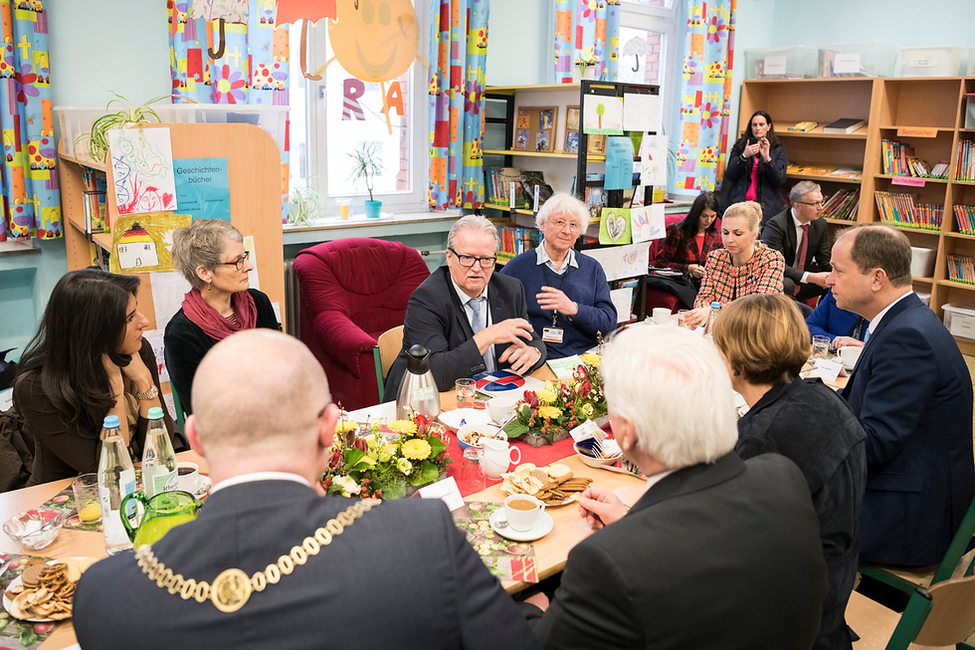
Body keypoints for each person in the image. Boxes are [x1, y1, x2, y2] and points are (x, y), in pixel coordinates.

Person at [73, 330, 539, 650]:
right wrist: (537, 610)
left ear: (194, 440)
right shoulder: (421, 536)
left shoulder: (104, 594)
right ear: (329, 429)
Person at [522, 325, 828, 650]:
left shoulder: (606, 562)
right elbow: (707, 551)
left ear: (626, 433)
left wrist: (530, 607)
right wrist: (632, 523)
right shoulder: (782, 476)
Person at [712, 293, 867, 650]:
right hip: (828, 600)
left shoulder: (760, 439)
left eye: (719, 350)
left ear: (737, 361)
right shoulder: (824, 399)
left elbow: (720, 552)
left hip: (782, 624)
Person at [828, 225, 975, 566]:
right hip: (909, 493)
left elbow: (875, 442)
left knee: (778, 519)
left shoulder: (907, 336)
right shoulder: (905, 320)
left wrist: (808, 418)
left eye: (838, 270)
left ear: (876, 278)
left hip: (907, 520)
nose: (830, 279)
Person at [13, 269, 184, 485]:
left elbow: (161, 451)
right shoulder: (36, 386)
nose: (145, 321)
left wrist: (145, 382)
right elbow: (111, 471)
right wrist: (115, 390)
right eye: (130, 317)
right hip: (67, 495)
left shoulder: (137, 351)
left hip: (139, 481)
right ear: (95, 331)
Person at [385, 215, 547, 396]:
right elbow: (435, 374)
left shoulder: (511, 289)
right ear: (449, 257)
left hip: (493, 395)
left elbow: (535, 341)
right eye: (467, 258)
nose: (477, 268)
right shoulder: (427, 299)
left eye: (486, 259)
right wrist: (486, 337)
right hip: (425, 401)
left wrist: (534, 353)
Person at [165, 218, 280, 415]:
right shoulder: (181, 333)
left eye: (245, 256)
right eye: (237, 261)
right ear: (204, 273)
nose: (249, 266)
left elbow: (283, 371)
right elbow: (201, 409)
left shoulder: (259, 303)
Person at [499, 193, 616, 358]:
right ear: (542, 224)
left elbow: (609, 323)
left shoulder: (592, 269)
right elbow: (500, 323)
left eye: (573, 225)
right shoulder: (516, 269)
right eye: (560, 222)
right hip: (537, 358)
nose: (567, 231)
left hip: (584, 359)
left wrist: (574, 309)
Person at [684, 201, 785, 328]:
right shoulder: (716, 258)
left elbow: (758, 305)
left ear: (754, 234)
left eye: (738, 234)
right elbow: (703, 298)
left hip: (760, 332)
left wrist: (714, 311)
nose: (729, 239)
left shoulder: (771, 259)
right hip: (719, 328)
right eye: (725, 233)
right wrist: (703, 313)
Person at [762, 181, 832, 304]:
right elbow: (776, 265)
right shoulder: (777, 225)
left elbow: (824, 258)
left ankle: (820, 320)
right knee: (787, 284)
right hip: (782, 277)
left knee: (832, 282)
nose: (820, 207)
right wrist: (811, 277)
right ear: (798, 206)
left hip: (803, 280)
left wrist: (837, 275)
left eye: (821, 202)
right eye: (814, 203)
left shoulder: (820, 224)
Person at [724, 110, 788, 226]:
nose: (757, 128)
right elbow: (730, 175)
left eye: (761, 124)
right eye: (754, 125)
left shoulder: (778, 148)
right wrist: (744, 156)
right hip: (740, 205)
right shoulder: (740, 146)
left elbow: (779, 180)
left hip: (766, 208)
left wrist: (768, 159)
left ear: (768, 127)